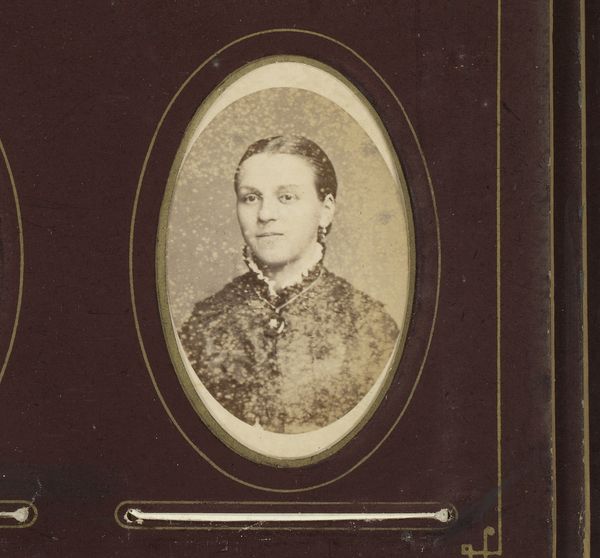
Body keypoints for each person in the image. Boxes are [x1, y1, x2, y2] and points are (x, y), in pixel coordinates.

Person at [179, 135, 399, 434]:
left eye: (287, 197)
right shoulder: (204, 323)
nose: (265, 214)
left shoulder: (369, 326)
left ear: (326, 209)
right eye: (251, 198)